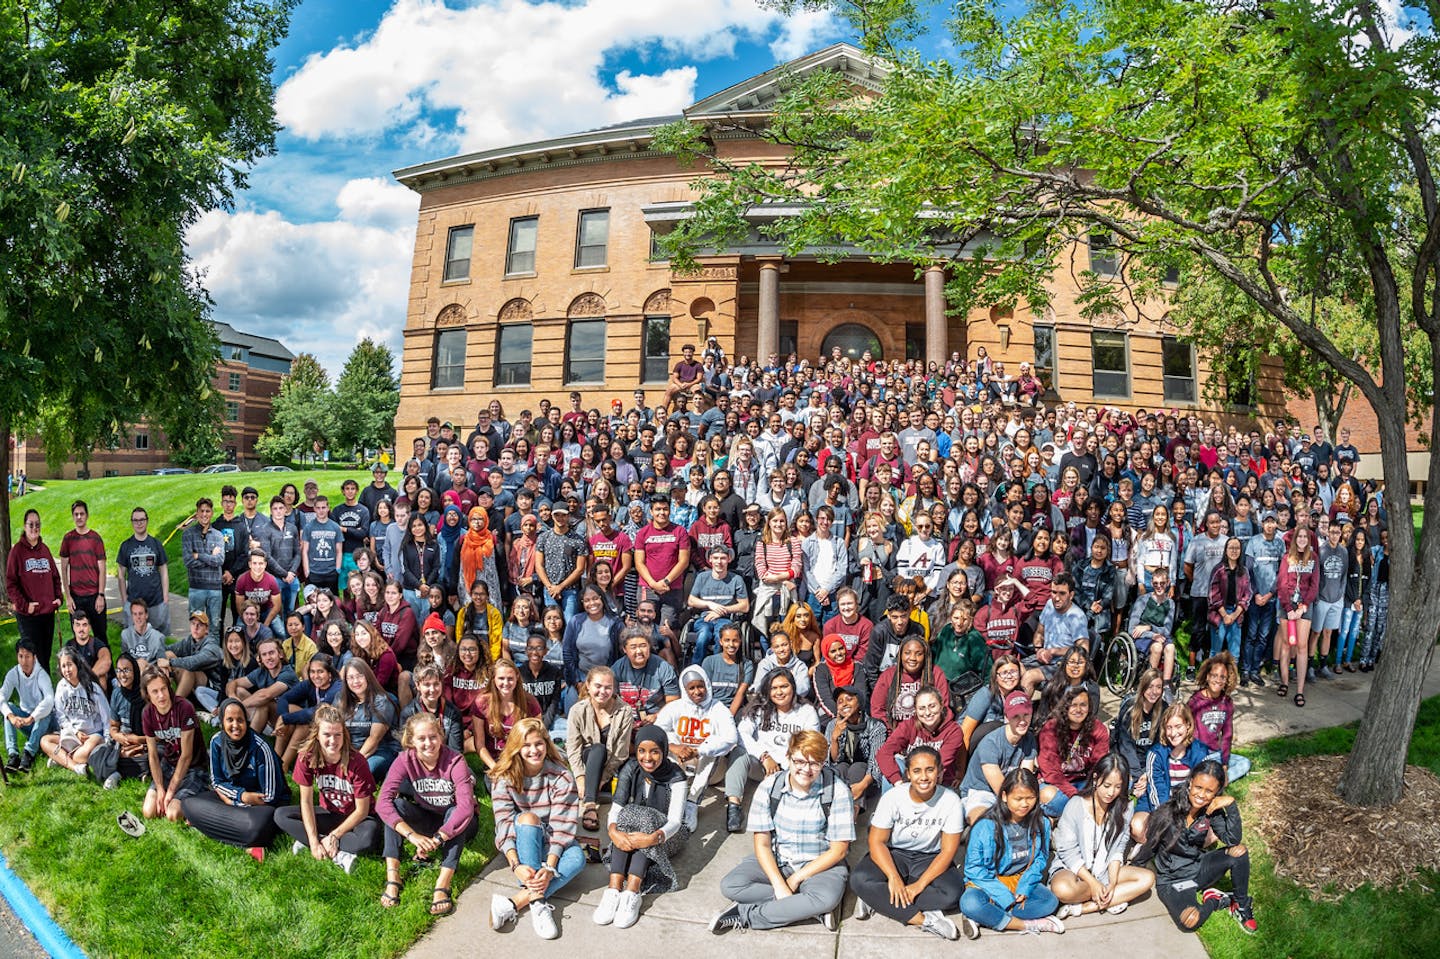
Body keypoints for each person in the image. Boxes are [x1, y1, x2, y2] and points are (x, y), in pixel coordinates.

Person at [710, 730, 855, 933]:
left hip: (819, 865)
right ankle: (806, 907)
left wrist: (795, 879)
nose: (806, 769)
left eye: (814, 763)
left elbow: (839, 851)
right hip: (780, 859)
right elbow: (762, 844)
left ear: (823, 764)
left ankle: (745, 914)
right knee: (731, 886)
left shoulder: (837, 791)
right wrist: (780, 885)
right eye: (799, 762)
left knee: (825, 898)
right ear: (788, 758)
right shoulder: (770, 786)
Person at [849, 745, 970, 940]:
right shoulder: (893, 797)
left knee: (953, 894)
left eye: (930, 770)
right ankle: (925, 920)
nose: (923, 777)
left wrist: (919, 885)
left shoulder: (950, 800)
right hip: (895, 854)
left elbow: (948, 852)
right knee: (859, 879)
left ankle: (877, 899)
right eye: (917, 771)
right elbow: (876, 842)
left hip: (929, 857)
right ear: (908, 774)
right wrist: (893, 877)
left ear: (939, 772)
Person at [488, 718, 584, 940]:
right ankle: (539, 904)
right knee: (528, 818)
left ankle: (518, 901)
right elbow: (503, 824)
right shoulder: (504, 777)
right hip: (523, 840)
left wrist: (550, 868)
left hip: (551, 842)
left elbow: (563, 827)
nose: (534, 750)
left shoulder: (561, 776)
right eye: (526, 745)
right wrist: (516, 865)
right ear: (516, 747)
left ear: (546, 743)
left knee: (577, 858)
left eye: (538, 743)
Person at [1136, 759, 1256, 934]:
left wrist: (1230, 805)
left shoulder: (1211, 811)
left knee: (1239, 851)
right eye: (1199, 787)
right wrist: (1132, 871)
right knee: (1190, 922)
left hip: (1199, 868)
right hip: (1173, 880)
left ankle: (1241, 905)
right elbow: (1149, 848)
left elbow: (1232, 839)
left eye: (1209, 791)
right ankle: (1216, 900)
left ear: (1217, 792)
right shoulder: (1168, 811)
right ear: (1190, 782)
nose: (1202, 795)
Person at [378, 712, 480, 917]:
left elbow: (466, 807)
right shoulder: (404, 760)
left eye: (433, 736)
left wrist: (439, 837)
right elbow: (382, 802)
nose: (428, 743)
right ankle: (393, 876)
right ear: (411, 741)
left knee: (455, 811)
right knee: (395, 805)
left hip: (461, 824)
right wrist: (412, 836)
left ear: (441, 736)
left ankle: (443, 883)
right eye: (421, 738)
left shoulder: (455, 760)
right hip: (428, 816)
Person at [594, 724, 692, 928]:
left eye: (655, 751)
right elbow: (616, 808)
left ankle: (632, 891)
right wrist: (613, 831)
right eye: (642, 751)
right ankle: (613, 890)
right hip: (635, 830)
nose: (647, 758)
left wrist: (652, 837)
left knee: (642, 816)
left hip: (667, 836)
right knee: (627, 813)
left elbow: (674, 821)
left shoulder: (676, 776)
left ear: (664, 751)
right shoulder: (630, 768)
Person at [274, 703, 383, 873]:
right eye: (327, 734)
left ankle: (326, 842)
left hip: (358, 818)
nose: (332, 741)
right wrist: (313, 841)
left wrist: (335, 835)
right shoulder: (306, 756)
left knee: (369, 839)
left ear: (344, 734)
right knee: (281, 815)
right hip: (330, 813)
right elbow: (306, 802)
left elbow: (362, 810)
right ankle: (334, 850)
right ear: (317, 734)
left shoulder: (357, 761)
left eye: (337, 735)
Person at [958, 767, 1065, 936]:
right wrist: (1004, 897)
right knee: (970, 903)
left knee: (1049, 902)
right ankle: (1027, 925)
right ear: (1004, 796)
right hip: (989, 882)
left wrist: (1025, 886)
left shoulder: (1042, 822)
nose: (1024, 804)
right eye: (1018, 798)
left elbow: (1040, 859)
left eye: (1030, 798)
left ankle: (986, 917)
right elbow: (974, 870)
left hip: (1019, 879)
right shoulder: (985, 825)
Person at [1048, 753, 1155, 918]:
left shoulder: (1125, 807)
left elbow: (1119, 847)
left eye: (1118, 787)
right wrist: (1094, 884)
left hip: (1105, 870)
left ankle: (1083, 907)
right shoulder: (1076, 804)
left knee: (1147, 878)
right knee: (1062, 888)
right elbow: (1066, 850)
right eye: (1107, 785)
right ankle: (1114, 898)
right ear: (1096, 779)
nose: (1111, 792)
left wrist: (1112, 883)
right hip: (1075, 871)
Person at [180, 698, 289, 856]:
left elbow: (270, 796)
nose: (235, 726)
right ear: (222, 721)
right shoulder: (217, 742)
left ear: (247, 721)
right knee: (188, 804)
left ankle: (206, 824)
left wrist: (232, 800)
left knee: (259, 826)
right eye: (229, 720)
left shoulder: (261, 748)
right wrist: (239, 797)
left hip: (263, 806)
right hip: (238, 798)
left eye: (240, 720)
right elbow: (217, 782)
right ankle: (248, 842)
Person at [724, 669, 821, 833]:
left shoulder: (806, 711)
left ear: (793, 687)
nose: (779, 692)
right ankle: (733, 807)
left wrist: (783, 765)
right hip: (762, 765)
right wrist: (764, 756)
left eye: (784, 686)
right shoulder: (759, 708)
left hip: (790, 768)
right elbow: (742, 733)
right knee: (738, 752)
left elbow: (810, 743)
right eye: (774, 688)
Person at [655, 665, 739, 823]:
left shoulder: (718, 708)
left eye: (700, 686)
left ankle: (692, 802)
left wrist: (699, 750)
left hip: (711, 771)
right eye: (691, 688)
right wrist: (674, 747)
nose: (697, 692)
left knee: (714, 741)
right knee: (667, 736)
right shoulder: (675, 707)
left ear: (707, 685)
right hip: (681, 763)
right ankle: (673, 793)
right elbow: (656, 732)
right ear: (684, 689)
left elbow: (731, 738)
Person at [565, 665, 634, 832]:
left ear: (613, 688)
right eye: (598, 686)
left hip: (612, 765)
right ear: (587, 686)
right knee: (597, 749)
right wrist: (581, 778)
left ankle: (592, 793)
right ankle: (590, 805)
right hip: (588, 761)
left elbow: (621, 751)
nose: (603, 691)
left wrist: (602, 778)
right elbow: (573, 748)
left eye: (608, 687)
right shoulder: (577, 710)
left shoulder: (624, 711)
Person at [141, 666, 207, 822]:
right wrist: (159, 788)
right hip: (169, 764)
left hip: (193, 766)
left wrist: (170, 791)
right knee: (149, 812)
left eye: (163, 689)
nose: (161, 695)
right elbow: (153, 755)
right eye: (155, 691)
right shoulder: (147, 714)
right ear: (148, 695)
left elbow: (186, 756)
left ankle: (202, 793)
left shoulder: (184, 708)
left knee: (173, 814)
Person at [1036, 685, 1110, 816]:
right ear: (1065, 707)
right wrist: (1075, 796)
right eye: (1073, 705)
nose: (1078, 710)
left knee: (1120, 783)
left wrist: (1087, 791)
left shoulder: (1098, 729)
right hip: (1057, 784)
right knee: (1047, 796)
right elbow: (1051, 771)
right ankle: (1088, 810)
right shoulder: (1051, 728)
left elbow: (1099, 765)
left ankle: (1069, 813)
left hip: (1084, 783)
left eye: (1083, 705)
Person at [877, 685, 966, 790]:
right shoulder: (909, 725)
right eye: (922, 708)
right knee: (894, 764)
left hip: (940, 782)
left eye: (932, 706)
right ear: (915, 710)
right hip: (912, 777)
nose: (927, 713)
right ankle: (890, 805)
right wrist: (897, 782)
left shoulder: (953, 731)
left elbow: (936, 766)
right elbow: (884, 752)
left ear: (941, 705)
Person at [39, 646, 109, 776]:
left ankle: (61, 758)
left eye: (69, 665)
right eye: (63, 666)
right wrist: (75, 732)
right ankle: (76, 767)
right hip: (72, 735)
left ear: (77, 664)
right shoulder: (61, 687)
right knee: (45, 741)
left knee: (81, 755)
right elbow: (61, 716)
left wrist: (107, 739)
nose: (67, 670)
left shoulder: (92, 687)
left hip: (93, 734)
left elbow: (106, 716)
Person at [7, 509, 62, 671]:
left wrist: (58, 598)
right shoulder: (17, 551)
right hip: (28, 616)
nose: (34, 528)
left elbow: (55, 577)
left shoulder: (44, 549)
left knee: (44, 656)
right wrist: (25, 606)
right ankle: (33, 694)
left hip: (47, 614)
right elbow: (11, 583)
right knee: (31, 658)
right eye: (31, 524)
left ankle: (44, 693)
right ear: (25, 526)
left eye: (37, 524)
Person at [1110, 668, 1171, 803]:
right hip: (1128, 761)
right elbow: (1126, 747)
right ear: (1142, 687)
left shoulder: (1164, 709)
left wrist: (1148, 773)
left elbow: (1161, 744)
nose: (1154, 692)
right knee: (1122, 789)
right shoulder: (1130, 710)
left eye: (1158, 687)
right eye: (1150, 687)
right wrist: (1138, 776)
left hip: (1151, 762)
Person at [1189, 653, 1250, 784]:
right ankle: (1210, 780)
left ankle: (1216, 781)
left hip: (1215, 754)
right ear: (1207, 676)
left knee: (1244, 763)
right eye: (1214, 675)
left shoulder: (1226, 702)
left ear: (1227, 680)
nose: (1218, 680)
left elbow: (1227, 736)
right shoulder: (1195, 701)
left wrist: (1225, 764)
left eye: (1222, 677)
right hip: (1198, 754)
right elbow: (1189, 733)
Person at [823, 684, 885, 814]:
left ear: (860, 702)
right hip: (842, 774)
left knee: (857, 766)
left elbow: (876, 762)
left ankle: (852, 817)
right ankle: (832, 813)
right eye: (840, 702)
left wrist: (861, 786)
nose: (844, 704)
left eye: (849, 699)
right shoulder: (832, 725)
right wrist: (834, 739)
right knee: (840, 768)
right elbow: (832, 761)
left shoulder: (876, 726)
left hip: (867, 780)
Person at [1277, 526, 1320, 707]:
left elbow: (1314, 585)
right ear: (1294, 539)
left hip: (1304, 606)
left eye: (1305, 537)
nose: (1302, 539)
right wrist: (1289, 608)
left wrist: (1303, 607)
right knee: (1287, 644)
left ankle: (1300, 690)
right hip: (1287, 606)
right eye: (1299, 536)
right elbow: (1281, 584)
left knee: (1302, 646)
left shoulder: (1314, 558)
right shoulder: (1287, 558)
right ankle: (1285, 682)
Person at [687, 546, 750, 665]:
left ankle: (718, 666)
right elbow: (691, 600)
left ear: (729, 559)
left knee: (720, 637)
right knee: (703, 636)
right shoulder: (702, 577)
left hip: (726, 619)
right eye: (715, 558)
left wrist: (722, 610)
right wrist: (709, 604)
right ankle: (696, 668)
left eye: (723, 558)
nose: (719, 562)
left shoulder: (736, 579)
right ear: (710, 559)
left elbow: (745, 606)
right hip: (704, 618)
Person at [59, 500, 107, 653]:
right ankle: (80, 673)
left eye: (82, 514)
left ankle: (109, 674)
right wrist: (68, 597)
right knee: (78, 640)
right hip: (76, 598)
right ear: (73, 516)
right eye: (76, 514)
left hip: (94, 597)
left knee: (101, 637)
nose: (79, 517)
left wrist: (101, 595)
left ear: (87, 516)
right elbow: (64, 569)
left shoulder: (95, 538)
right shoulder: (68, 539)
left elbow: (102, 569)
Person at [1, 639, 55, 773]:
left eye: (27, 657)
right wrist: (11, 716)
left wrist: (31, 718)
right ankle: (13, 756)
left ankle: (28, 754)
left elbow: (49, 700)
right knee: (8, 707)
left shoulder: (42, 675)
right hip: (26, 721)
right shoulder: (13, 673)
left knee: (45, 713)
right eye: (20, 656)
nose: (24, 661)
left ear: (34, 657)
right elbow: (1, 695)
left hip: (44, 724)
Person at [117, 506, 170, 634]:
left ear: (147, 521)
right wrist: (124, 599)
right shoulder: (126, 546)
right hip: (133, 603)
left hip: (156, 601)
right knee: (135, 640)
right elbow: (121, 575)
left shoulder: (156, 544)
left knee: (158, 639)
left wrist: (165, 596)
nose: (139, 523)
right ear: (132, 522)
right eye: (135, 520)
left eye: (142, 519)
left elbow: (163, 571)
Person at [1128, 565, 1179, 690]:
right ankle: (1150, 683)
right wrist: (1151, 634)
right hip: (1143, 638)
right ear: (1151, 583)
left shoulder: (1170, 603)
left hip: (1160, 635)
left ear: (1167, 583)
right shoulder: (1143, 600)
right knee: (1157, 647)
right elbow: (1132, 628)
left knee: (1171, 647)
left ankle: (1166, 684)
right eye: (1155, 583)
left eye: (1162, 583)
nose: (1159, 586)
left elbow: (1167, 629)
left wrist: (1149, 627)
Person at [183, 497, 227, 638]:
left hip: (215, 588)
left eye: (207, 511)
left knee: (214, 626)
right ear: (197, 513)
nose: (204, 514)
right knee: (196, 627)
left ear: (212, 513)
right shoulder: (188, 534)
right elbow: (188, 561)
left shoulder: (218, 535)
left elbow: (219, 560)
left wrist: (199, 555)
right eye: (201, 511)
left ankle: (212, 658)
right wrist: (209, 556)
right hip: (196, 588)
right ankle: (197, 657)